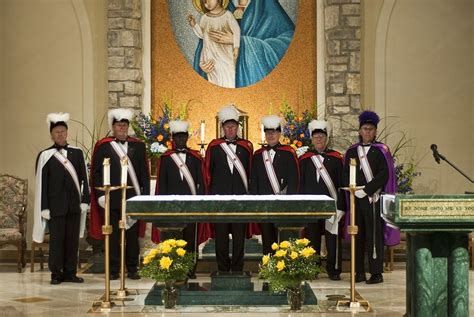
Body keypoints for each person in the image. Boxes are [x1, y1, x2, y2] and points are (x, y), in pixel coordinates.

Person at [89, 108, 150, 280]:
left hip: (132, 198)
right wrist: (100, 194)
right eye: (118, 126)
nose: (122, 129)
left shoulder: (138, 145)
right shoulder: (103, 146)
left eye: (124, 125)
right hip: (112, 198)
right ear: (113, 127)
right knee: (113, 235)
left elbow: (143, 173)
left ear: (128, 126)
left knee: (132, 236)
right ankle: (114, 269)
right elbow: (97, 173)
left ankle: (132, 268)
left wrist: (144, 195)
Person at [33, 112, 90, 285]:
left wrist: (85, 201)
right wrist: (44, 207)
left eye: (63, 131)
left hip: (74, 206)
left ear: (67, 133)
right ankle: (56, 273)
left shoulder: (77, 153)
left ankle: (71, 272)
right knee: (57, 242)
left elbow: (84, 179)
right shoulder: (45, 156)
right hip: (55, 207)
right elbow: (41, 184)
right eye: (57, 132)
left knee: (72, 241)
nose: (60, 134)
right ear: (51, 134)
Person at [342, 111, 398, 284]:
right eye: (364, 129)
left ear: (375, 131)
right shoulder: (351, 151)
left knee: (375, 237)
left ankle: (376, 273)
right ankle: (358, 272)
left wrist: (367, 190)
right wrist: (355, 190)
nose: (367, 132)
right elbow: (345, 174)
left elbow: (384, 174)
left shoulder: (381, 150)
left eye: (371, 129)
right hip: (356, 200)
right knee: (357, 236)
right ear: (359, 131)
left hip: (373, 199)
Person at [193, 0, 295, 87]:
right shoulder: (219, 7)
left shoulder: (266, 4)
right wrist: (203, 65)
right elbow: (206, 43)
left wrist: (241, 42)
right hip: (220, 76)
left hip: (256, 84)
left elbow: (288, 43)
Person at [155, 120, 207, 278]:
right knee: (174, 238)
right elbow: (162, 184)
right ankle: (175, 268)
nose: (180, 140)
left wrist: (200, 202)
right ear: (172, 139)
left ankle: (190, 269)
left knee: (190, 239)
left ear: (187, 138)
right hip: (172, 206)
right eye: (177, 137)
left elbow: (201, 182)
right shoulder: (165, 158)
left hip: (191, 206)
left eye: (183, 137)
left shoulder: (196, 158)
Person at [205, 105, 253, 272]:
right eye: (227, 126)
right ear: (222, 127)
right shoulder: (214, 146)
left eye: (233, 126)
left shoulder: (247, 147)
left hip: (241, 199)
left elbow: (250, 172)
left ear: (238, 127)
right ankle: (223, 268)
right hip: (220, 199)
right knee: (221, 237)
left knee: (239, 236)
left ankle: (238, 267)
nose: (231, 129)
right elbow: (208, 173)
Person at [299, 120, 346, 281]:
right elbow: (301, 184)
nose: (319, 140)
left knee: (333, 239)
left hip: (331, 205)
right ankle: (312, 268)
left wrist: (341, 207)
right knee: (312, 238)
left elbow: (342, 184)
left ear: (326, 139)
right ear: (312, 140)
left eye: (322, 137)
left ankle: (334, 269)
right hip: (311, 206)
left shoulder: (336, 158)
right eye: (316, 137)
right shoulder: (305, 159)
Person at [249, 115, 299, 255]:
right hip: (264, 204)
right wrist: (255, 202)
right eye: (268, 132)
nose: (271, 135)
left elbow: (294, 179)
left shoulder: (289, 153)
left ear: (279, 134)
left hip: (283, 204)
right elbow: (254, 180)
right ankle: (268, 266)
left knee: (284, 238)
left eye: (274, 132)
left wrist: (291, 201)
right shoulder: (258, 155)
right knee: (267, 237)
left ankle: (283, 267)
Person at [188, 0, 241, 88]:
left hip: (225, 57)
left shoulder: (228, 15)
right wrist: (194, 25)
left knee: (228, 80)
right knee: (214, 81)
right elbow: (202, 35)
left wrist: (236, 47)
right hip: (211, 59)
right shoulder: (204, 18)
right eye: (204, 1)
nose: (206, 3)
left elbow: (236, 30)